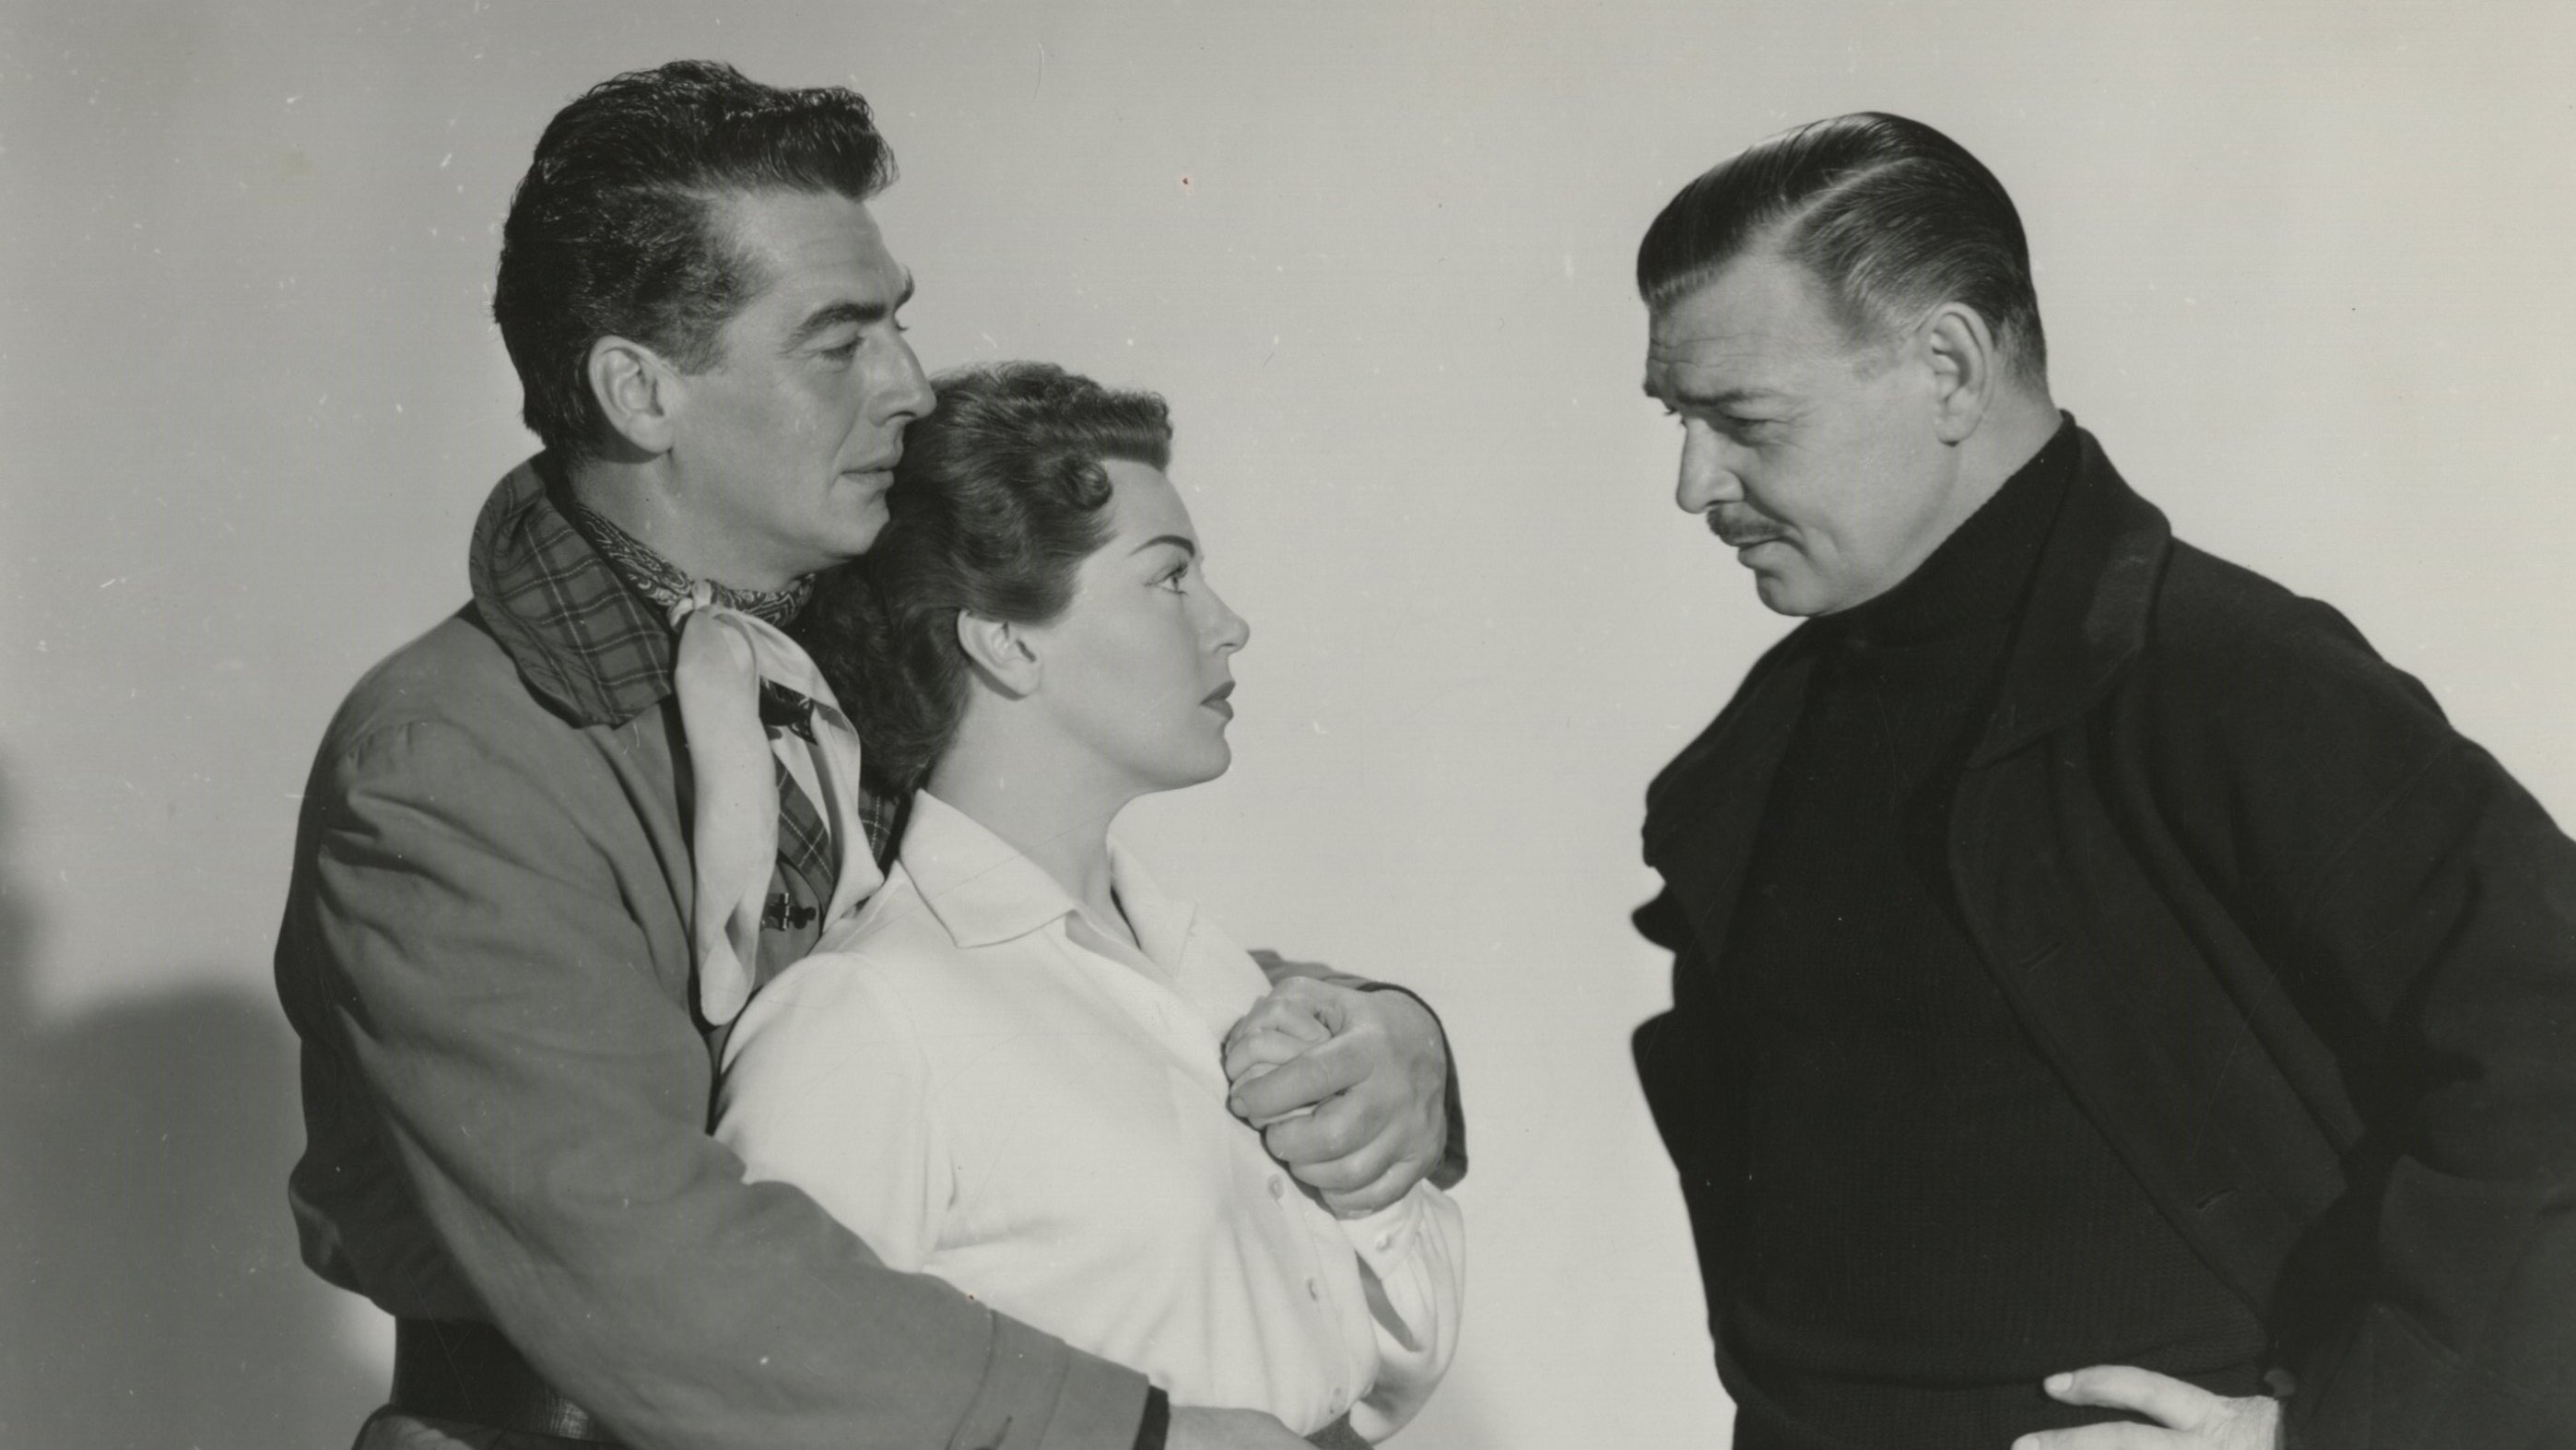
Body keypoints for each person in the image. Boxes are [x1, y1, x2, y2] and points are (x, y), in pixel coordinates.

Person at [273, 62, 1458, 1450]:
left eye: (899, 322)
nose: (904, 384)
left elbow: (1051, 969)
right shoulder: (453, 764)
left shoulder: (828, 662)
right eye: (839, 343)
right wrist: (1130, 1436)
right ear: (640, 391)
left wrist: (1391, 1037)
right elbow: (652, 1270)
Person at [1629, 112, 2576, 1450]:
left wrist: (2339, 1436)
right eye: (1678, 419)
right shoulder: (1772, 733)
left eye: (1742, 421)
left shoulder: (2229, 673)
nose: (1692, 484)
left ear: (1949, 369)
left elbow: (2550, 1063)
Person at [715, 362, 1464, 1447]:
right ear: (1006, 639)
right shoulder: (863, 1017)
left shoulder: (1209, 970)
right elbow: (770, 1410)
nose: (1229, 624)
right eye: (1170, 578)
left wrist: (1368, 1178)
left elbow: (1377, 1364)